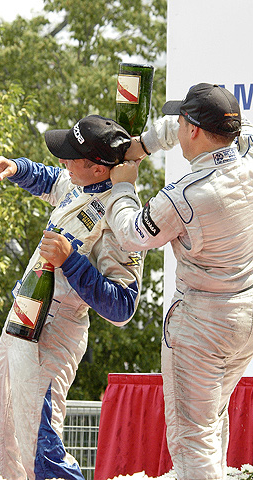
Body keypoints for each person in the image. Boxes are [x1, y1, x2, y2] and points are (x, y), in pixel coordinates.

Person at [0, 114, 144, 480]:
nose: (62, 160)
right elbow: (52, 178)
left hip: (55, 333)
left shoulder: (121, 217)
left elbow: (123, 307)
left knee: (38, 442)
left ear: (98, 168)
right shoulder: (77, 182)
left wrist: (70, 261)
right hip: (23, 318)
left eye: (70, 155)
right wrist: (16, 167)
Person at [105, 83, 253, 480]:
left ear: (194, 130)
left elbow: (131, 235)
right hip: (243, 321)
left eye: (183, 121)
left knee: (192, 442)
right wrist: (143, 144)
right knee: (211, 425)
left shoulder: (185, 196)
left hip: (202, 327)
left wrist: (123, 184)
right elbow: (183, 128)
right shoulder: (247, 156)